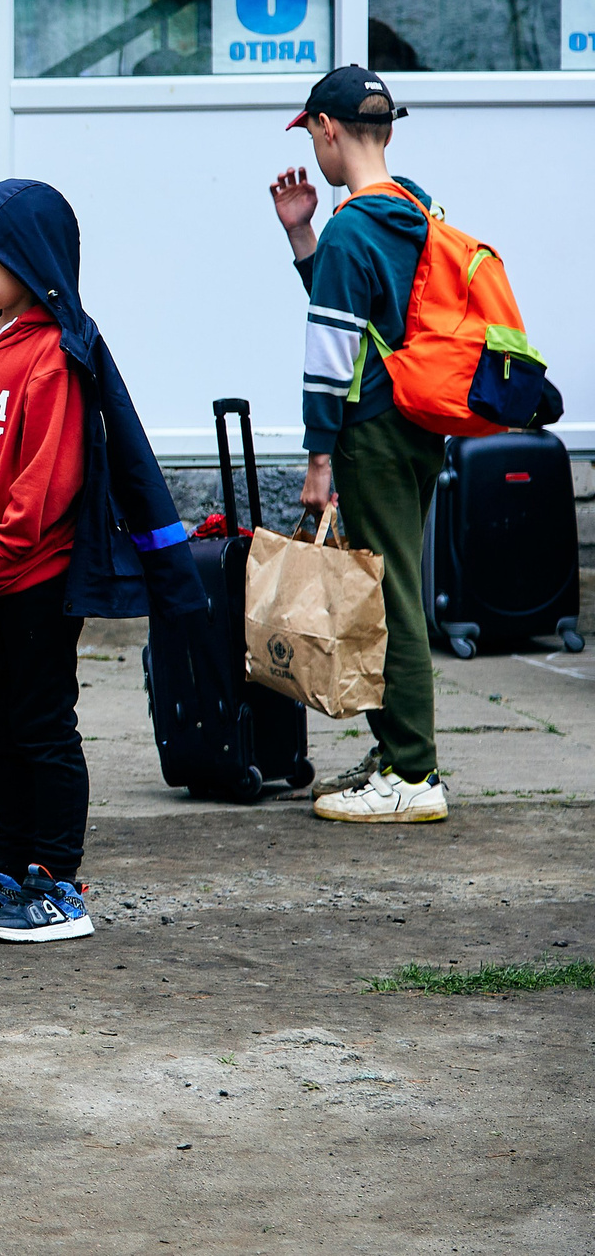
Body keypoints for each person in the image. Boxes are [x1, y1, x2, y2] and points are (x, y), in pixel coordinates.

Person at [0, 178, 198, 944]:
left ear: (32, 263)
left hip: (31, 582)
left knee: (42, 725)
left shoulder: (52, 358)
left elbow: (46, 486)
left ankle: (58, 883)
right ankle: (9, 869)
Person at [270, 66, 450, 825]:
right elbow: (370, 315)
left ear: (328, 129)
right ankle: (396, 751)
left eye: (313, 133)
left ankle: (412, 774)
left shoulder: (354, 228)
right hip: (421, 418)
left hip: (370, 428)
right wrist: (302, 233)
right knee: (395, 583)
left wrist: (319, 459)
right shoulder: (416, 203)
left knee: (391, 596)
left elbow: (331, 351)